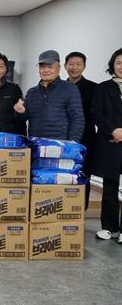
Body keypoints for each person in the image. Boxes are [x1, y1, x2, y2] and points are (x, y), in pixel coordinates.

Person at [15, 50, 84, 142]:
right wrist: (19, 112)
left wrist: (72, 144)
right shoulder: (32, 92)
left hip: (60, 145)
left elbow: (77, 120)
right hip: (36, 144)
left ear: (58, 68)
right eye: (42, 67)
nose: (46, 70)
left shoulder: (70, 89)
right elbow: (22, 120)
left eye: (50, 67)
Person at [91, 48, 122, 242]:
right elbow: (96, 112)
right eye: (118, 63)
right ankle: (110, 228)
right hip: (110, 141)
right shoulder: (103, 88)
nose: (121, 67)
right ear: (113, 65)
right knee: (110, 186)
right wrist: (113, 130)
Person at [65, 51, 98, 209]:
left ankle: (80, 212)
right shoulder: (59, 87)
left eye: (78, 64)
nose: (74, 67)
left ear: (84, 67)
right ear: (65, 66)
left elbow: (99, 114)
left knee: (83, 176)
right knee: (63, 175)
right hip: (63, 138)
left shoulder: (94, 88)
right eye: (71, 64)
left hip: (86, 139)